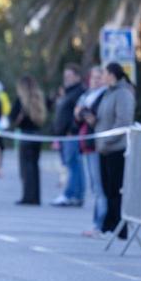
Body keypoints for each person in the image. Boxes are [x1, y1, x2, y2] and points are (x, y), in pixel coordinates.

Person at [94, 62, 136, 237]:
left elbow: (123, 122)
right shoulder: (108, 93)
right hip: (104, 149)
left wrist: (107, 140)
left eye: (103, 73)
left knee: (115, 190)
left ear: (111, 75)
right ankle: (108, 225)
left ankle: (118, 228)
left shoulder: (123, 94)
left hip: (116, 149)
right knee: (107, 189)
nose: (101, 77)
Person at [76, 67, 109, 237]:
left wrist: (83, 113)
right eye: (93, 77)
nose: (95, 80)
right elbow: (78, 114)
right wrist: (82, 113)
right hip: (86, 145)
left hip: (96, 145)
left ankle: (100, 224)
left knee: (99, 187)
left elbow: (93, 118)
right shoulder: (88, 95)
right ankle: (97, 223)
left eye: (99, 77)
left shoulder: (104, 96)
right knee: (95, 187)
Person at [51, 64, 86, 206]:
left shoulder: (79, 91)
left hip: (71, 135)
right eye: (65, 76)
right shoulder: (66, 92)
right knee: (70, 165)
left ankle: (72, 195)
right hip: (63, 135)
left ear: (77, 77)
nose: (67, 79)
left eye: (70, 76)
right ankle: (74, 194)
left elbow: (78, 113)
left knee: (73, 165)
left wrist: (72, 130)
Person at [12, 75, 47, 205]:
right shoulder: (38, 99)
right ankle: (35, 197)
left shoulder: (21, 101)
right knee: (35, 167)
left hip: (26, 135)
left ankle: (28, 196)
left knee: (26, 168)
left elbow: (12, 118)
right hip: (37, 135)